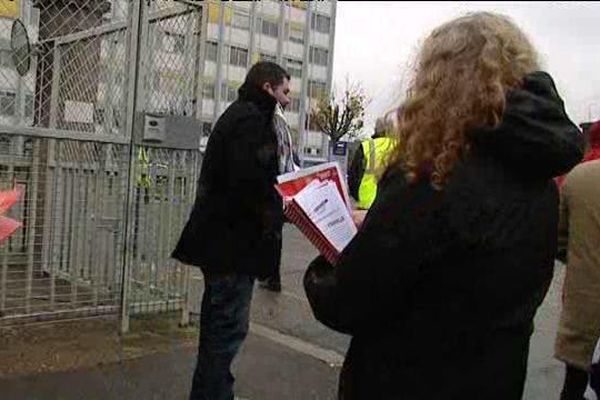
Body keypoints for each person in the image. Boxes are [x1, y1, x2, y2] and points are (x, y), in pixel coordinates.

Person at [303, 12, 583, 400]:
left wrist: (329, 258)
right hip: (496, 381)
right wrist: (382, 222)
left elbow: (348, 301)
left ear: (440, 81)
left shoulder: (434, 176)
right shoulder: (539, 179)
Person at [171, 62, 291, 400]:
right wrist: (281, 204)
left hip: (224, 245)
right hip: (231, 248)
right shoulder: (252, 120)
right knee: (226, 331)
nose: (288, 100)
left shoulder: (241, 115)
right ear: (268, 87)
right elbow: (249, 184)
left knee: (219, 331)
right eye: (284, 91)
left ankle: (214, 392)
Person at [555, 121, 600, 400]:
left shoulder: (577, 177)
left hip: (585, 294)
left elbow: (559, 238)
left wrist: (577, 260)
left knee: (574, 381)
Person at [347, 111, 396, 210]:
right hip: (392, 207)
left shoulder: (366, 146)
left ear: (376, 129)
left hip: (366, 205)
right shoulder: (399, 146)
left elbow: (353, 176)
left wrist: (357, 197)